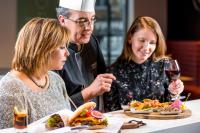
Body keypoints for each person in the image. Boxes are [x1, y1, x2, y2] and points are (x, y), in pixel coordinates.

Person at [0, 17, 71, 129]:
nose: (67, 53)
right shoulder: (12, 88)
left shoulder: (56, 80)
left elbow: (69, 123)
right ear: (42, 49)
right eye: (62, 47)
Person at [104, 16, 184, 112]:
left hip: (161, 124)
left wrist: (174, 93)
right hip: (129, 125)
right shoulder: (113, 72)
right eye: (142, 40)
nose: (146, 47)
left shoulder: (164, 65)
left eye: (152, 42)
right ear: (130, 38)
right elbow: (111, 113)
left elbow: (171, 106)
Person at [55, 0, 116, 110]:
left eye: (92, 19)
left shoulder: (92, 42)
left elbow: (105, 79)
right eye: (82, 21)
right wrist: (89, 92)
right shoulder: (53, 52)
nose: (89, 27)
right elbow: (55, 108)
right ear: (62, 20)